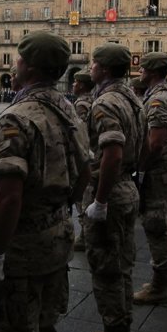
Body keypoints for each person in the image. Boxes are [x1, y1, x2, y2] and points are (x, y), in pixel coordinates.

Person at [0, 31, 90, 332]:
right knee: (46, 326)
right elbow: (86, 167)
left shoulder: (18, 116)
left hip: (24, 243)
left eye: (16, 60)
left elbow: (9, 196)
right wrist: (61, 207)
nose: (12, 66)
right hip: (58, 232)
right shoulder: (70, 110)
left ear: (28, 66)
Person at [75, 43, 146, 332]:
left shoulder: (105, 102)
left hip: (111, 191)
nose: (90, 68)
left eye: (93, 64)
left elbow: (112, 152)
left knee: (106, 269)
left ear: (102, 68)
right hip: (128, 185)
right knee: (122, 266)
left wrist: (100, 201)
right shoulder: (132, 97)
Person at [132, 52, 167, 306]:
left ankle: (160, 286)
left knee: (156, 227)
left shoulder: (158, 100)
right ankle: (165, 281)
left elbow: (154, 143)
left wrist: (140, 171)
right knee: (166, 226)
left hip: (157, 170)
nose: (139, 72)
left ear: (150, 72)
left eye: (142, 69)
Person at [72, 70, 95, 252]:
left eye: (75, 82)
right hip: (93, 152)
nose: (73, 85)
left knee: (84, 197)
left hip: (85, 155)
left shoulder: (81, 103)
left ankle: (85, 236)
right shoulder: (94, 99)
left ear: (81, 85)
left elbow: (80, 131)